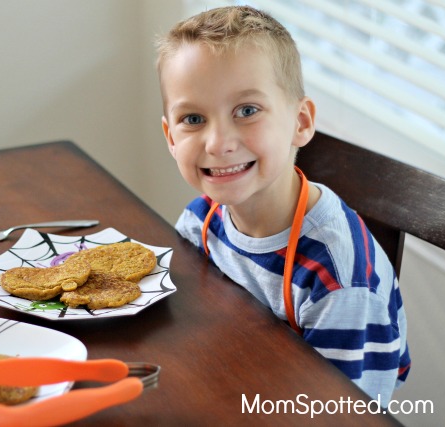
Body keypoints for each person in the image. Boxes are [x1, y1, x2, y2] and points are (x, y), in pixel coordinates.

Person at [155, 5, 410, 405]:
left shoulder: (339, 285)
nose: (218, 143)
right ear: (171, 137)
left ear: (301, 122)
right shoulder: (200, 221)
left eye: (247, 111)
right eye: (193, 119)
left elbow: (342, 415)